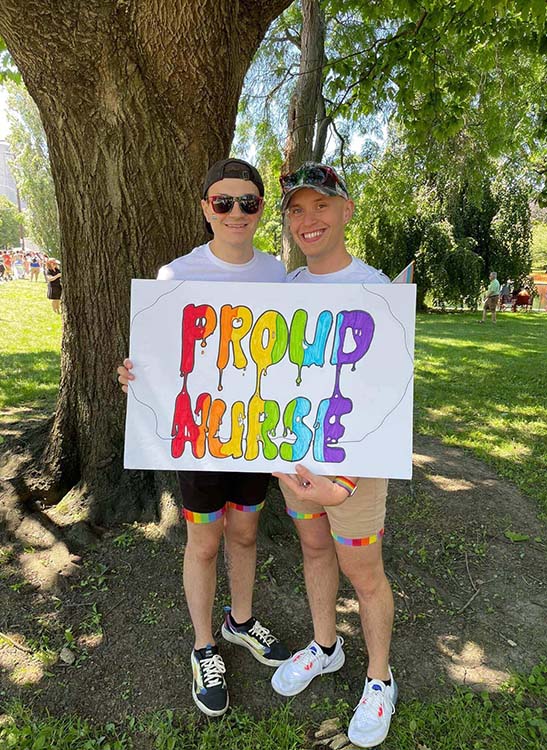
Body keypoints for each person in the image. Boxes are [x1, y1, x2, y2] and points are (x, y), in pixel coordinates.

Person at [117, 159, 289, 718]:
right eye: (224, 202)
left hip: (254, 435)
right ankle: (203, 646)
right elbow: (159, 358)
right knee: (205, 542)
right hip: (198, 437)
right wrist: (133, 374)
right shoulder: (176, 275)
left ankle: (238, 623)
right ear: (205, 209)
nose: (236, 212)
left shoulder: (278, 275)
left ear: (260, 210)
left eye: (248, 202)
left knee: (245, 533)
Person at [270, 162, 397, 748]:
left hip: (354, 472)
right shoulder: (286, 290)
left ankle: (379, 679)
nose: (308, 219)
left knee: (363, 572)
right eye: (296, 208)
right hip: (296, 461)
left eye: (321, 204)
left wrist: (343, 483)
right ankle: (326, 646)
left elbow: (386, 399)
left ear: (346, 210)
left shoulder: (379, 290)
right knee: (313, 549)